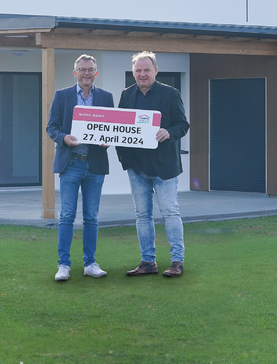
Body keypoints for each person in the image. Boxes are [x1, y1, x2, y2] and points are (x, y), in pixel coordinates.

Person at [116, 51, 190, 278]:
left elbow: (182, 125)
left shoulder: (170, 94)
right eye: (138, 70)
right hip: (137, 168)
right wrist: (124, 160)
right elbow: (118, 127)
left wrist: (168, 132)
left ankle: (177, 261)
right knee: (142, 215)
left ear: (155, 71)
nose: (142, 74)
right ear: (133, 73)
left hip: (164, 167)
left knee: (170, 212)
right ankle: (148, 262)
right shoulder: (126, 95)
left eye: (147, 70)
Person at [46, 54, 114, 282]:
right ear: (75, 73)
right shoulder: (62, 96)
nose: (87, 73)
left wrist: (109, 138)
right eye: (83, 69)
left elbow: (112, 128)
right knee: (66, 216)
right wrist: (64, 138)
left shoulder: (106, 97)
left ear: (96, 73)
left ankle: (90, 264)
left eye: (91, 69)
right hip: (71, 163)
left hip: (95, 165)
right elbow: (51, 128)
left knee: (91, 217)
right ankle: (63, 265)